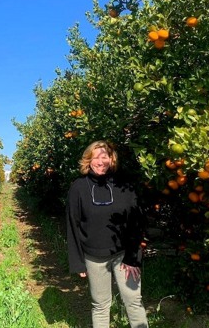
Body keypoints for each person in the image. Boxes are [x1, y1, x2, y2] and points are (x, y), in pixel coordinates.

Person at [66, 140, 148, 328]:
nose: (101, 162)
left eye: (105, 157)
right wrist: (77, 261)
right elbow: (72, 224)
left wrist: (133, 256)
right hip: (93, 257)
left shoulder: (124, 186)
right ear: (88, 160)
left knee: (133, 300)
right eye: (96, 157)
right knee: (100, 305)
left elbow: (136, 221)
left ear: (112, 160)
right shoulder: (78, 187)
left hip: (123, 255)